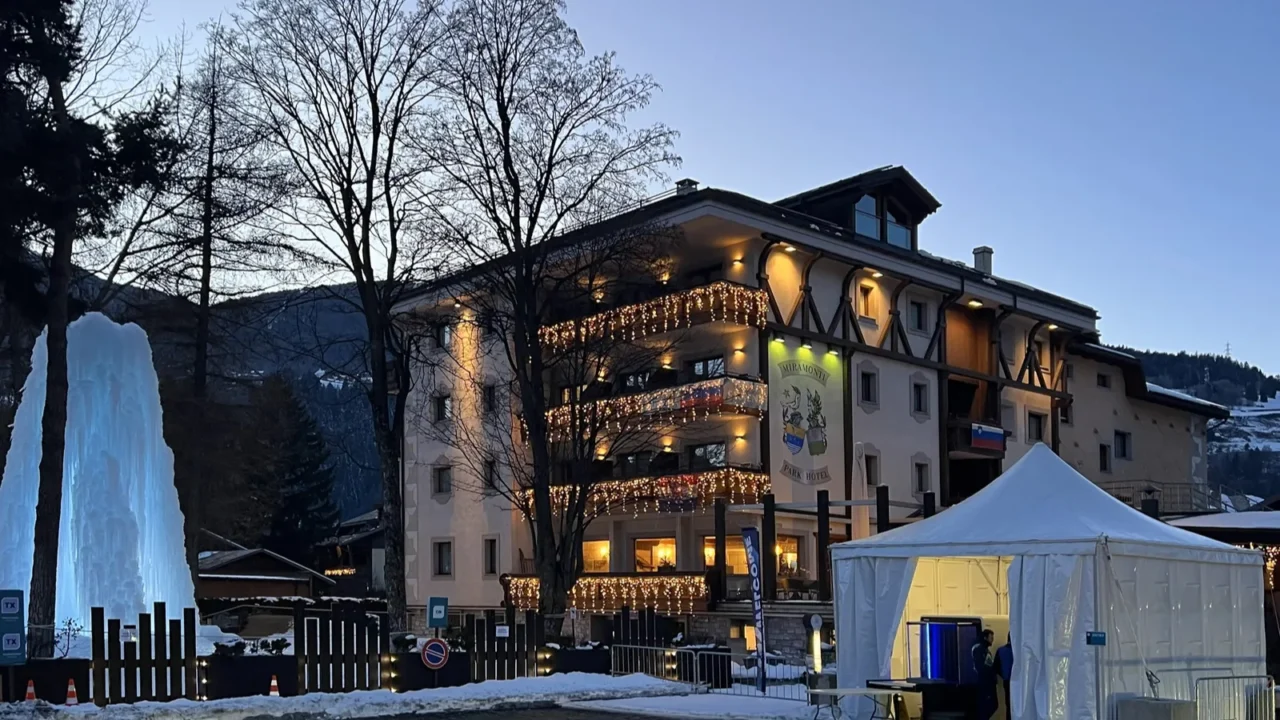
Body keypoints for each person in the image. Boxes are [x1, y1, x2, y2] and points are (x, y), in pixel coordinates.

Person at [971, 629, 998, 720]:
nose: (992, 640)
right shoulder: (979, 649)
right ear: (985, 638)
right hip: (985, 683)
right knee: (988, 706)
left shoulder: (983, 649)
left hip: (985, 682)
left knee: (990, 706)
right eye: (991, 637)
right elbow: (982, 667)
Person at [996, 634, 1014, 718]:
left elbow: (996, 666)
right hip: (1020, 682)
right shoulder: (1020, 651)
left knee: (1008, 704)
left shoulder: (1001, 650)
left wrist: (1004, 675)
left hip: (1007, 680)